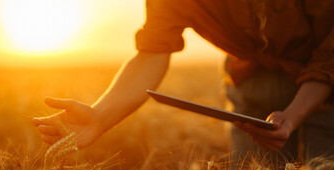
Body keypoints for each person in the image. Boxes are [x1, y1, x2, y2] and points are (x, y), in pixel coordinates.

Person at [33, 0, 334, 161]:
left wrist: (293, 117)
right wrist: (100, 115)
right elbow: (153, 50)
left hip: (327, 87)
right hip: (251, 80)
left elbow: (329, 55)